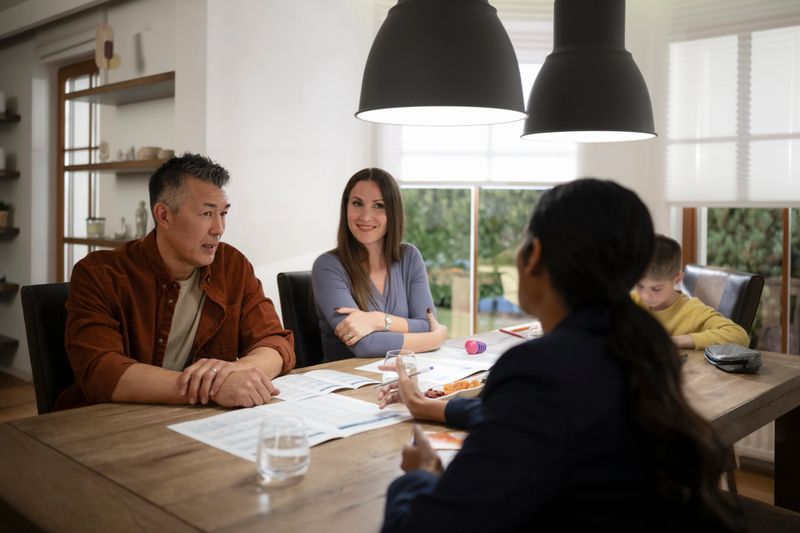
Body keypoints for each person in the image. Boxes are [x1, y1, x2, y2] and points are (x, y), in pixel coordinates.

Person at [378, 179, 742, 532]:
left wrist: (421, 476)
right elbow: (544, 418)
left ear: (533, 256)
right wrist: (434, 407)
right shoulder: (642, 350)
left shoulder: (537, 368)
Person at [58, 153, 295, 410]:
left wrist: (234, 372)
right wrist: (212, 387)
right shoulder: (99, 274)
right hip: (112, 426)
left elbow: (275, 343)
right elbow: (101, 370)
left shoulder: (232, 265)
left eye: (223, 214)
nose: (219, 228)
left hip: (199, 424)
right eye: (207, 213)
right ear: (164, 216)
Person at [312, 168, 447, 361]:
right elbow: (365, 345)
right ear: (346, 208)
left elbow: (426, 323)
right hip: (348, 385)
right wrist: (435, 339)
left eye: (379, 205)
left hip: (399, 378)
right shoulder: (327, 266)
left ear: (393, 212)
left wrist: (377, 321)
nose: (365, 216)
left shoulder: (409, 257)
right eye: (357, 203)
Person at [632, 234, 750, 349]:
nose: (645, 295)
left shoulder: (691, 311)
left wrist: (676, 341)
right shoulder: (632, 300)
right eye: (640, 285)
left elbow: (740, 337)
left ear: (677, 279)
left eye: (656, 289)